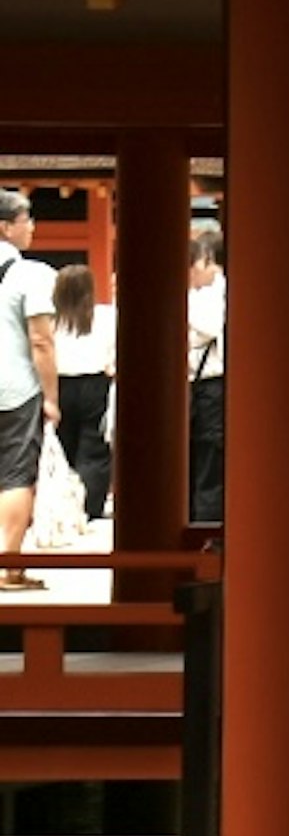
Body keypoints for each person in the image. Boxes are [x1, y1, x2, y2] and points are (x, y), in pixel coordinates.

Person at [0, 190, 57, 589]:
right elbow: (41, 340)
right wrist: (51, 396)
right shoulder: (29, 274)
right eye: (26, 219)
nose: (32, 227)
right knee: (16, 475)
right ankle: (8, 567)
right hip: (14, 387)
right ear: (6, 227)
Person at [50, 262, 114, 523]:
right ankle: (90, 508)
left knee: (62, 448)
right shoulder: (106, 316)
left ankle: (62, 508)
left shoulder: (52, 320)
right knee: (94, 450)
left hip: (60, 385)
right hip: (95, 384)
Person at [187, 224, 226, 526]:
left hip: (210, 387)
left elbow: (209, 328)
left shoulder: (215, 294)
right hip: (205, 386)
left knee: (208, 461)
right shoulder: (203, 296)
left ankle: (205, 529)